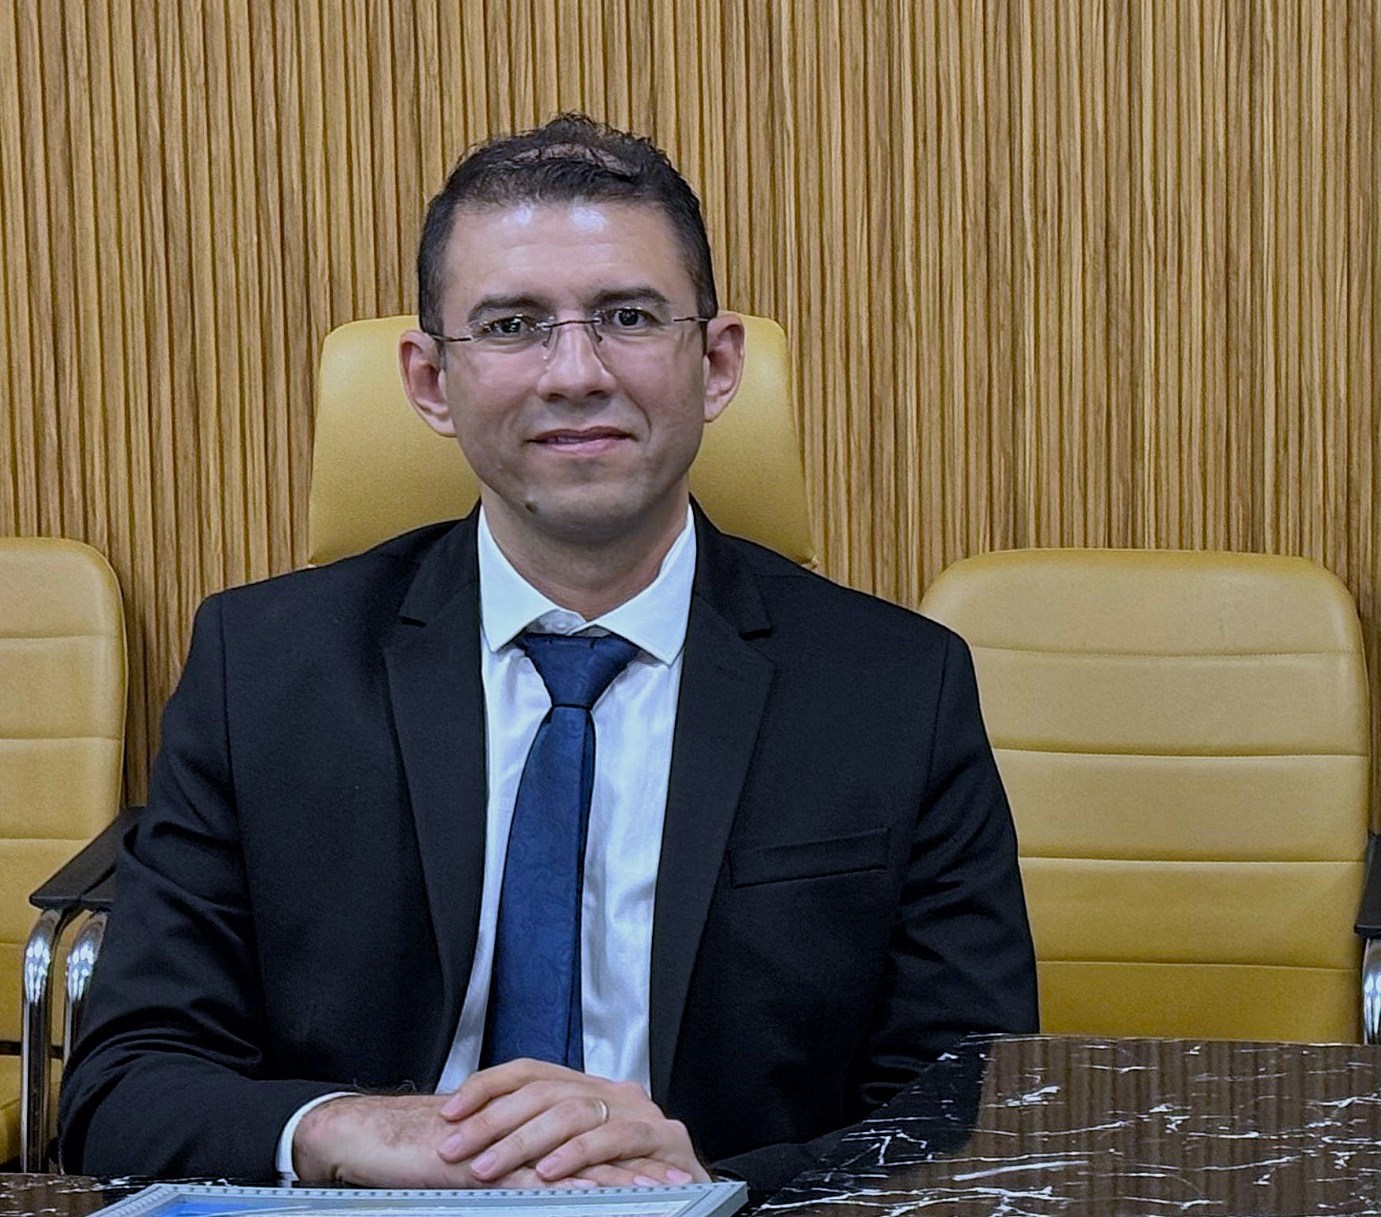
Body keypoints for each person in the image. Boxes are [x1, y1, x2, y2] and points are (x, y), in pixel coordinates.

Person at [58, 113, 1036, 1199]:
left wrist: (718, 1185)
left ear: (716, 363)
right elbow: (121, 1087)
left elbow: (971, 1103)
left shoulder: (893, 688)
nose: (574, 372)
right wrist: (344, 1129)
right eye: (513, 325)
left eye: (627, 316)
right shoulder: (263, 671)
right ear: (430, 381)